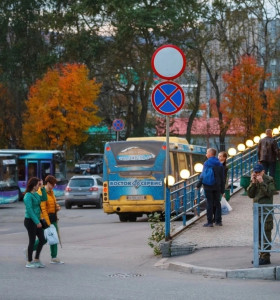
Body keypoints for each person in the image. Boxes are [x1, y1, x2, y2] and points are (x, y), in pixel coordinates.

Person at [247, 163, 275, 265]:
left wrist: (262, 182)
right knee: (258, 234)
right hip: (257, 212)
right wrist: (253, 183)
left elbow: (269, 193)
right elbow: (250, 194)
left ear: (263, 171)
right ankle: (261, 255)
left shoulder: (269, 179)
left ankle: (266, 257)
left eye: (259, 172)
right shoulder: (254, 179)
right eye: (255, 172)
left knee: (266, 234)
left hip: (266, 211)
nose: (257, 173)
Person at [34, 175, 64, 264]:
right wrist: (47, 222)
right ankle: (30, 249)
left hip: (53, 218)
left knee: (54, 237)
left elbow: (53, 203)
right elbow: (43, 209)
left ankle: (54, 257)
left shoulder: (51, 192)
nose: (54, 186)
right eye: (53, 184)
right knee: (44, 239)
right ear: (47, 183)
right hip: (45, 219)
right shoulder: (42, 193)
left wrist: (57, 207)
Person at [196, 148, 225, 227]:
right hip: (217, 186)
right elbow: (223, 178)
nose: (206, 154)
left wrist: (198, 185)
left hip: (208, 186)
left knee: (209, 203)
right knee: (217, 203)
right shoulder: (219, 164)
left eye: (207, 153)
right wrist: (222, 190)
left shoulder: (207, 163)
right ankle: (218, 221)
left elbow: (203, 175)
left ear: (210, 154)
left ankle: (210, 222)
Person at [23, 177, 47, 268]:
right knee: (32, 241)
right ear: (33, 186)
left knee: (43, 239)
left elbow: (44, 198)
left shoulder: (36, 194)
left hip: (36, 220)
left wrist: (42, 187)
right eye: (38, 185)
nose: (38, 186)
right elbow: (30, 210)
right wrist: (37, 222)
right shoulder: (28, 196)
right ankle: (29, 261)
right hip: (30, 221)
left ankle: (36, 259)